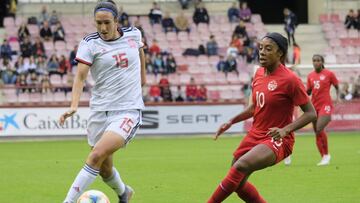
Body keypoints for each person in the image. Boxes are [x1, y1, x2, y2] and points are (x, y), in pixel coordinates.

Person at [207, 32, 316, 203]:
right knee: (239, 184)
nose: (262, 52)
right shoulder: (258, 74)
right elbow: (253, 108)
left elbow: (311, 113)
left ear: (279, 53)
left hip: (278, 139)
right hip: (255, 134)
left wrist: (285, 130)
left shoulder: (290, 79)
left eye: (268, 49)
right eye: (260, 48)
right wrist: (230, 121)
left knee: (240, 166)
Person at [59, 1, 146, 203]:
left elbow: (140, 51)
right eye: (98, 23)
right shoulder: (89, 43)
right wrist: (73, 106)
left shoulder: (134, 34)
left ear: (117, 21)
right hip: (99, 111)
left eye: (107, 22)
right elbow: (80, 77)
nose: (103, 28)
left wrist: (143, 77)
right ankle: (124, 192)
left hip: (127, 111)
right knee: (104, 169)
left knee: (95, 156)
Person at [306, 54, 340, 166]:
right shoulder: (310, 76)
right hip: (314, 106)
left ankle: (326, 155)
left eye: (318, 60)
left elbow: (337, 86)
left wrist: (338, 97)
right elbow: (309, 91)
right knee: (316, 132)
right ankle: (324, 156)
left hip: (325, 105)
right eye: (314, 60)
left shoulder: (329, 74)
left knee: (320, 128)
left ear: (322, 62)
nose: (316, 62)